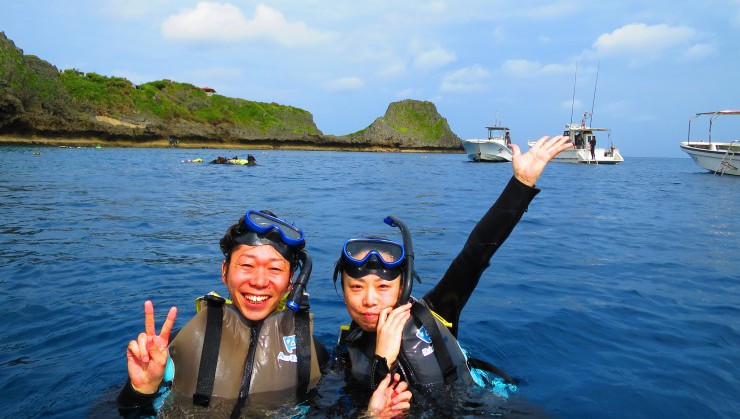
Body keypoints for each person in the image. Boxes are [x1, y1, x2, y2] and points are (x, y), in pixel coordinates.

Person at [333, 135, 572, 396]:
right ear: (343, 292)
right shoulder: (346, 351)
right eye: (356, 287)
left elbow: (475, 255)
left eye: (382, 287)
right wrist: (383, 361)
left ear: (403, 286)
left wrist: (521, 184)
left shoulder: (433, 314)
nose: (369, 300)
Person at [117, 210, 327, 417]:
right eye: (246, 265)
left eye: (274, 269)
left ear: (291, 282)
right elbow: (122, 411)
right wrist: (141, 390)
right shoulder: (173, 349)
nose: (259, 282)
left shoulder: (311, 352)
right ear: (224, 271)